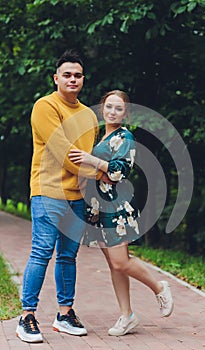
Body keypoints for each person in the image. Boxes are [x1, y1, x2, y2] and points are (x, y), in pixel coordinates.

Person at [16, 49, 110, 343]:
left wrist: (96, 174)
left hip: (76, 195)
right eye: (66, 74)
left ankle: (64, 314)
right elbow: (65, 154)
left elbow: (89, 154)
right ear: (56, 78)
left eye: (77, 75)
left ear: (83, 79)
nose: (72, 79)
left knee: (68, 256)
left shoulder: (87, 115)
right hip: (48, 190)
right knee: (42, 252)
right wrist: (101, 173)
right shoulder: (45, 106)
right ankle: (27, 316)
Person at [68, 90, 174, 337]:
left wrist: (92, 161)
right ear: (102, 108)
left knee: (120, 261)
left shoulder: (124, 136)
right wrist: (96, 167)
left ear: (125, 113)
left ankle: (159, 286)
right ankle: (127, 316)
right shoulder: (100, 136)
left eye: (118, 108)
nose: (112, 112)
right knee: (114, 266)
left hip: (115, 207)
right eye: (109, 107)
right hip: (97, 207)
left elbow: (119, 173)